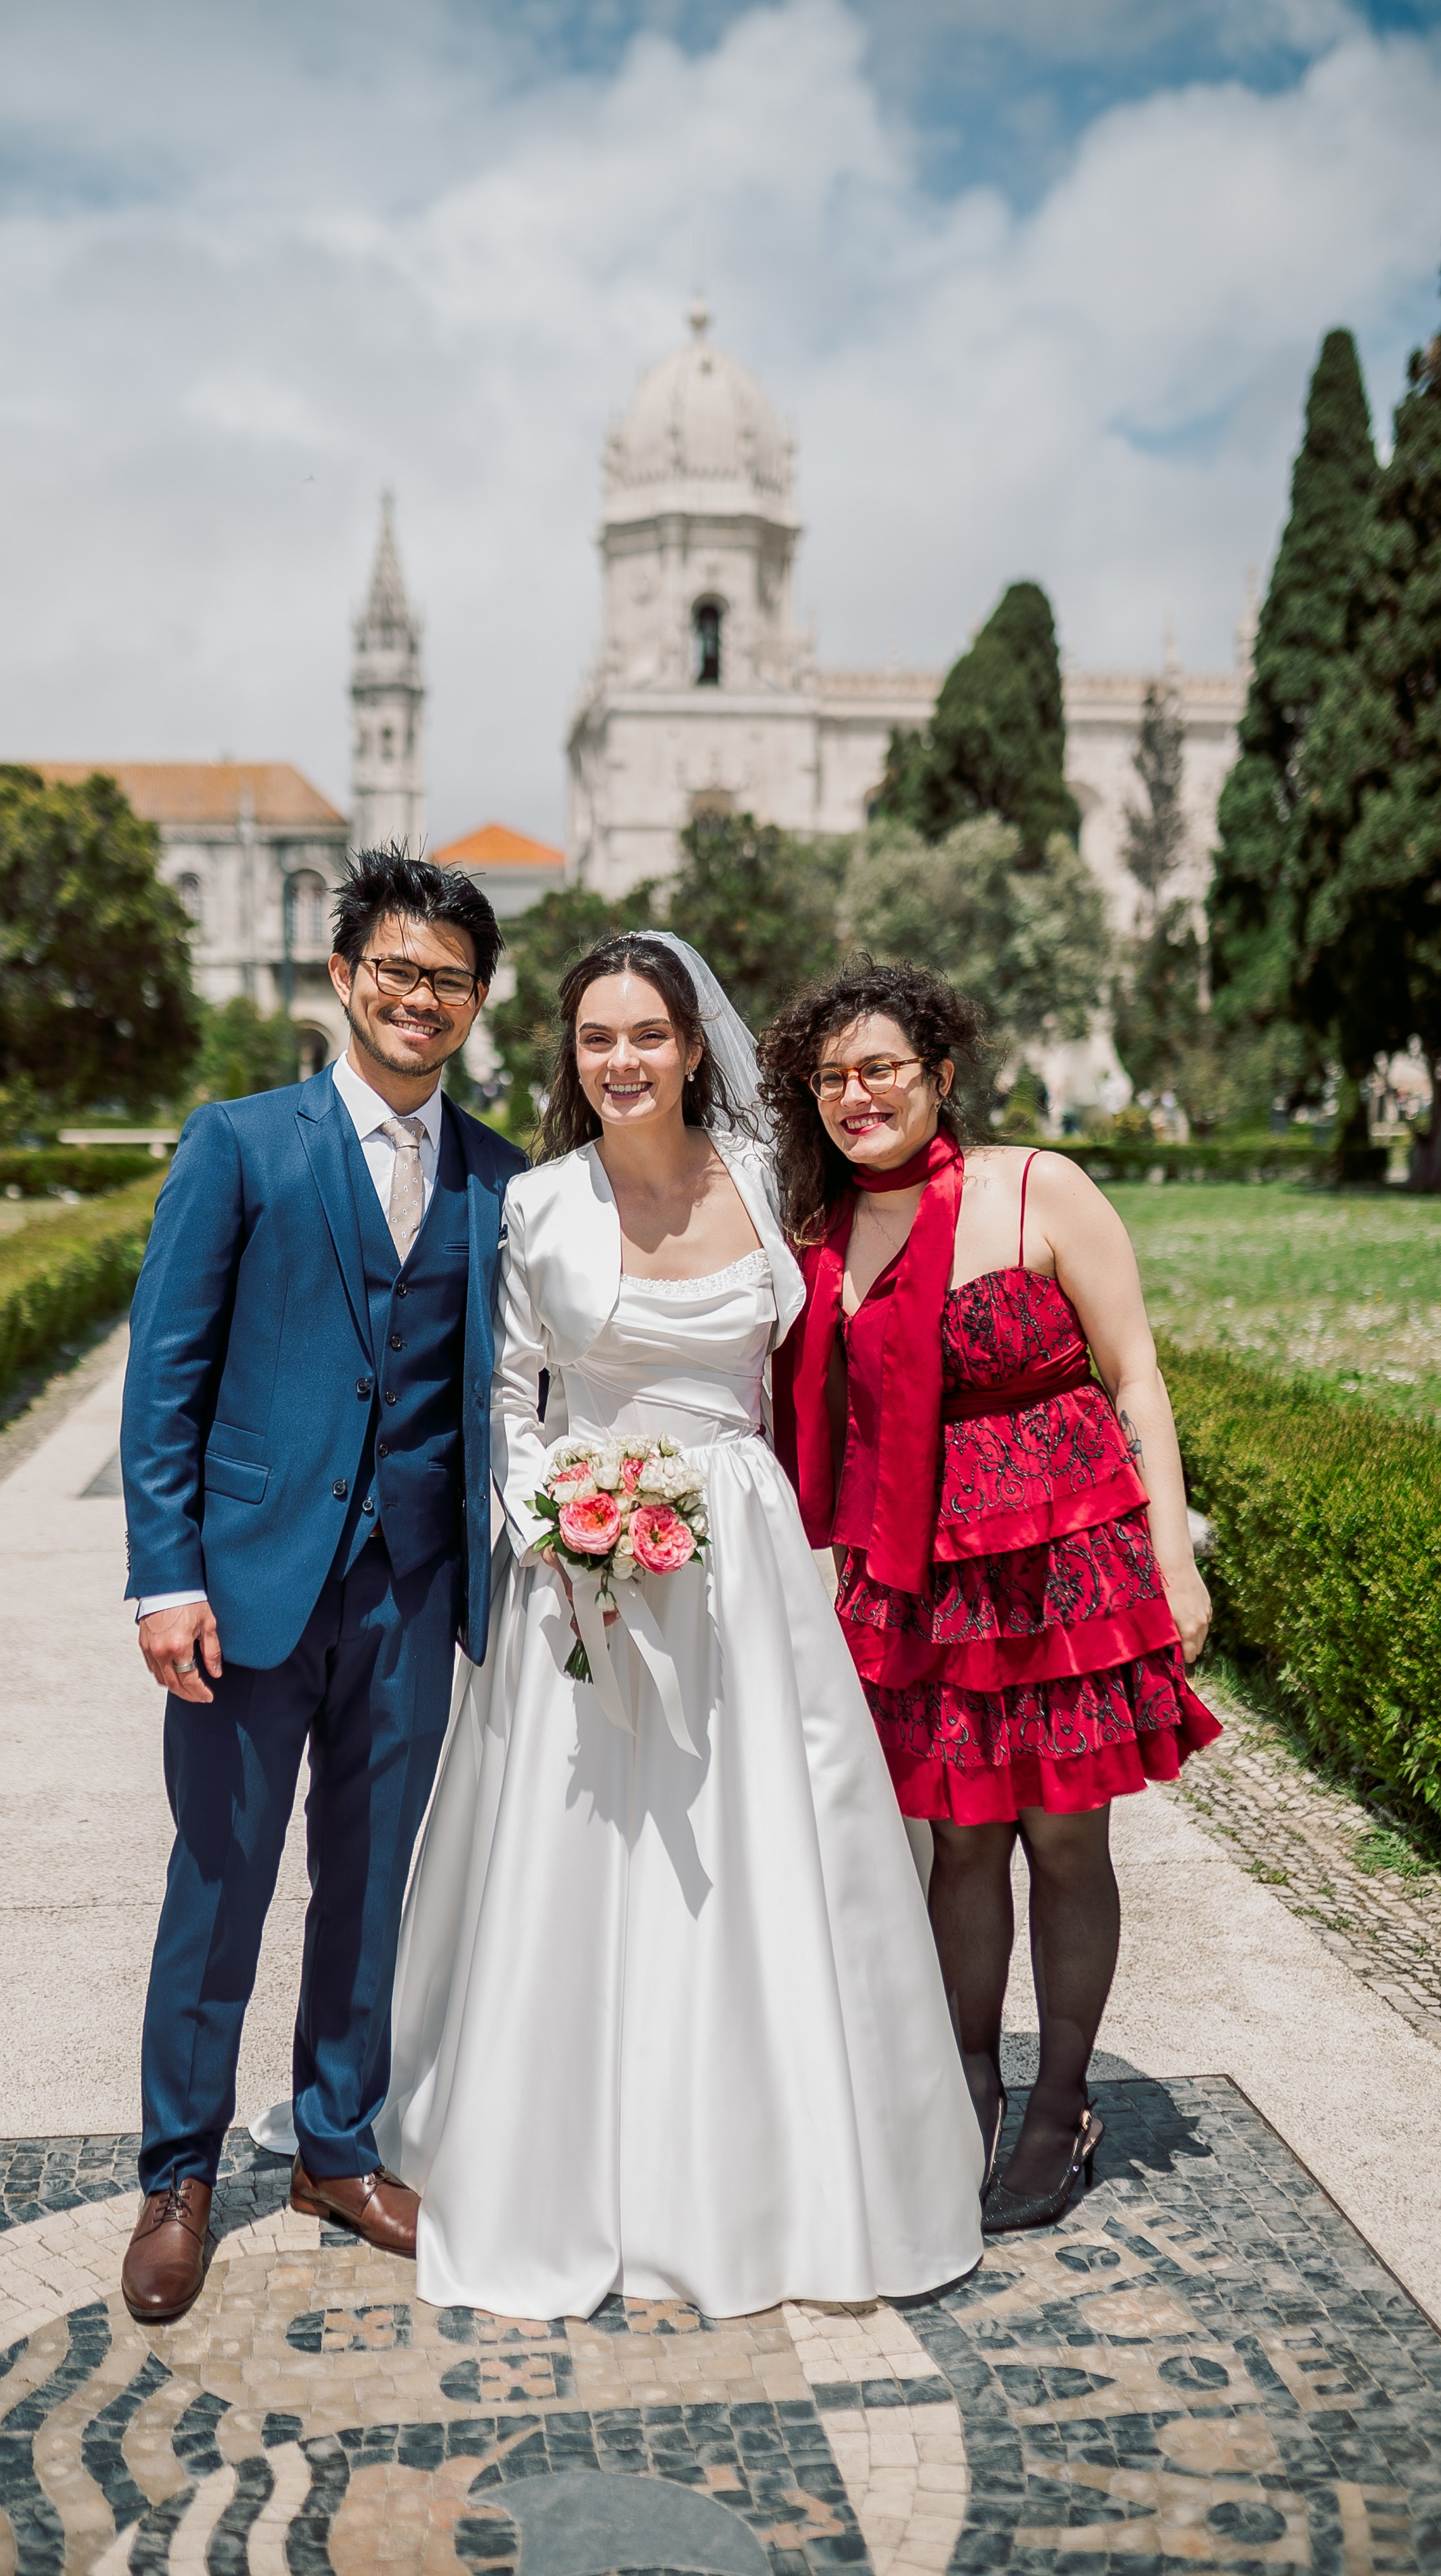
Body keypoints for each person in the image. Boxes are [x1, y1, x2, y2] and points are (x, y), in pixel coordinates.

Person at [371, 933, 984, 2321]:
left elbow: (869, 1306)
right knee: (580, 1861)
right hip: (580, 1566)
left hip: (746, 1562)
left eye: (646, 1033)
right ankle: (548, 2165)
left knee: (761, 1852)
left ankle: (789, 2167)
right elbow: (510, 1403)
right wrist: (565, 1528)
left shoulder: (772, 1183)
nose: (623, 1060)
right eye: (596, 1039)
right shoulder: (534, 1207)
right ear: (569, 1057)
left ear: (693, 1046)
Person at [117, 845, 526, 2324]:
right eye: (399, 971)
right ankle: (178, 2171)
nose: (423, 1000)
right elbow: (164, 1377)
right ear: (343, 975)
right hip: (245, 1590)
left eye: (452, 981)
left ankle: (336, 2148)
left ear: (478, 1003)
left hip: (413, 1590)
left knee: (366, 1883)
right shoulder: (239, 1141)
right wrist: (163, 1578)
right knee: (217, 1881)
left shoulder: (499, 1177)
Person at [760, 960, 1218, 2235]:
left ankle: (1062, 2098)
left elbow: (1138, 1380)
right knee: (959, 1838)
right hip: (921, 1578)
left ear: (940, 1074)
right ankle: (966, 2076)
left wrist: (1174, 1561)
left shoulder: (1039, 1188)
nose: (860, 1096)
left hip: (1066, 1566)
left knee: (1067, 1834)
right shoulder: (824, 1231)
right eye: (834, 1077)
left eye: (883, 1070)